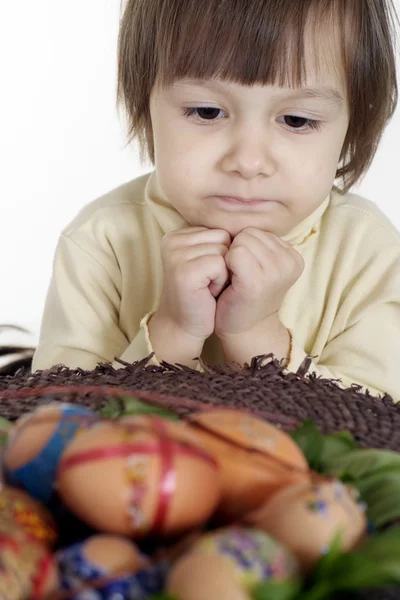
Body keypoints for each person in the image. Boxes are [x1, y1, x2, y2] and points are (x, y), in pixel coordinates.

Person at [32, 0, 400, 402]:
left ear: (354, 125)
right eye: (207, 111)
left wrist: (257, 336)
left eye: (297, 120)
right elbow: (52, 423)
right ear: (144, 103)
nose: (248, 161)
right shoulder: (103, 241)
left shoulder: (369, 254)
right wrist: (171, 332)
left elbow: (381, 428)